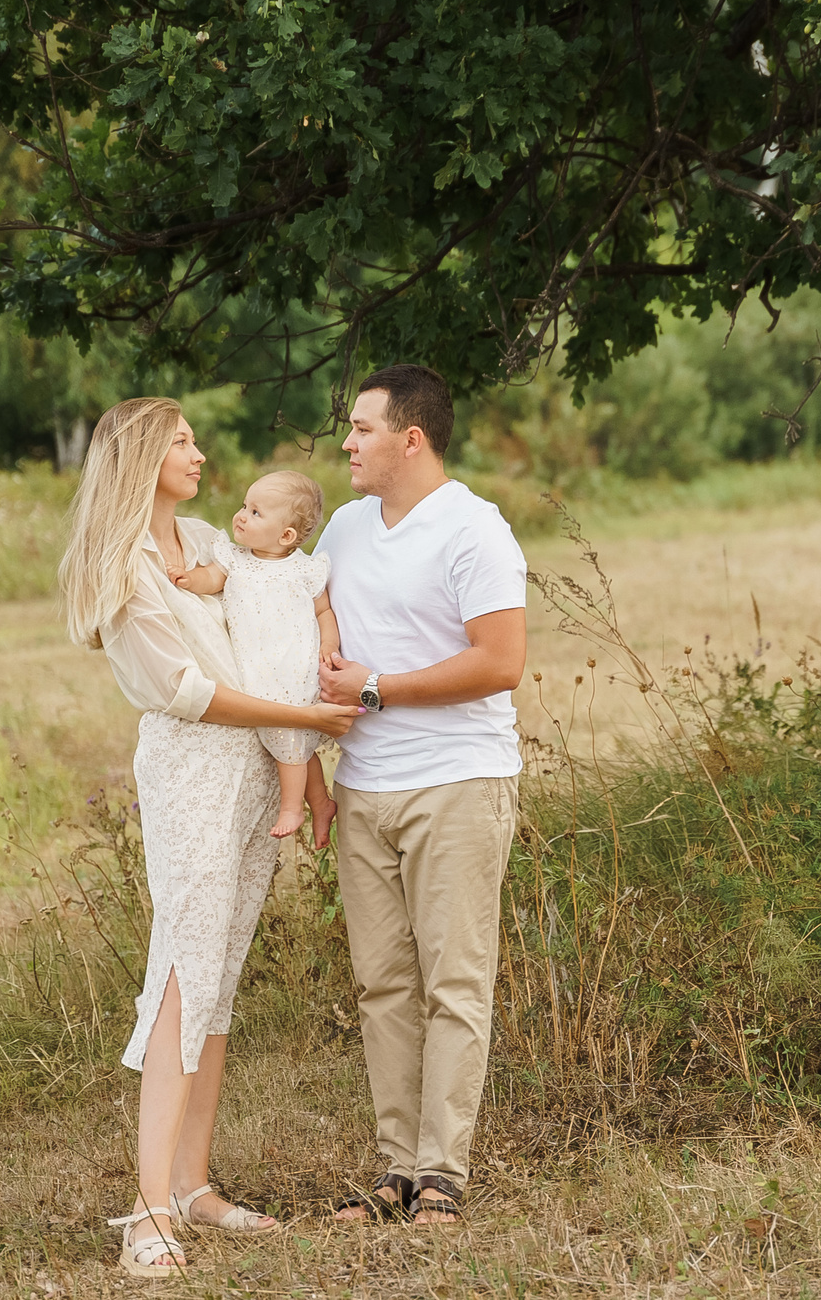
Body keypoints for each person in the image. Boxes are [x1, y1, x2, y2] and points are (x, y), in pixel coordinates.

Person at [57, 398, 359, 1277]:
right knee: (186, 965)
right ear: (144, 454)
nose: (198, 450)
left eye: (193, 436)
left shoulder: (205, 539)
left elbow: (274, 632)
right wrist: (305, 717)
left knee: (220, 965)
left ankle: (192, 1182)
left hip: (257, 766)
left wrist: (304, 759)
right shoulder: (126, 565)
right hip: (193, 767)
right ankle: (146, 1212)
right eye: (182, 439)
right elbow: (190, 690)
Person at [314, 364, 529, 1229]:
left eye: (362, 429)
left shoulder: (475, 531)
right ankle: (393, 1170)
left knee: (455, 981)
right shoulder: (343, 524)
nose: (347, 442)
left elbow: (500, 661)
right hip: (363, 786)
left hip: (457, 781)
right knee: (382, 986)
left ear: (411, 437)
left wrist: (377, 689)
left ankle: (443, 1171)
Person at [166, 468, 342, 843]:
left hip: (294, 668)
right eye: (245, 506)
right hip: (258, 671)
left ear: (287, 535)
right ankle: (320, 802)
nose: (241, 516)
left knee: (289, 739)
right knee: (294, 742)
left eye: (256, 512)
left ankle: (293, 807)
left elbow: (323, 611)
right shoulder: (235, 560)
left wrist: (329, 644)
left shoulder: (304, 570)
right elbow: (212, 579)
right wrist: (189, 579)